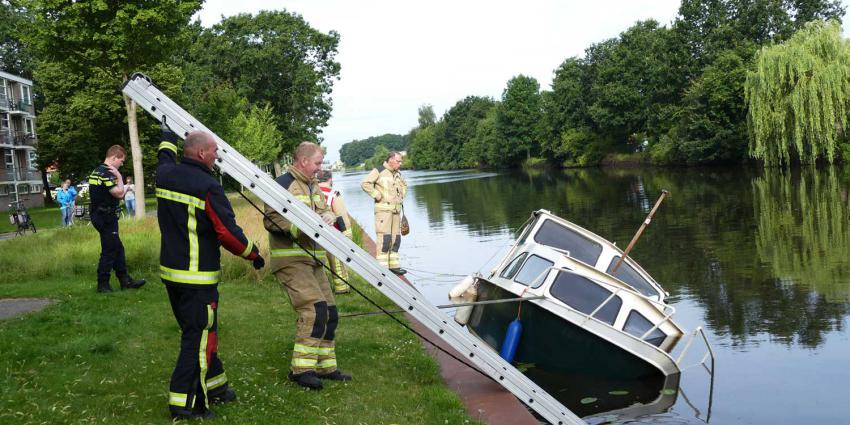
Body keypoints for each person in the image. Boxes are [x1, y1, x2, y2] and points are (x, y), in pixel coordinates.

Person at [156, 125, 264, 420]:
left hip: (171, 275)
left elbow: (164, 157)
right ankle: (186, 403)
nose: (218, 156)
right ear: (202, 153)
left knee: (203, 331)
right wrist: (253, 254)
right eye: (215, 151)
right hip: (197, 280)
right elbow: (227, 233)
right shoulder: (207, 186)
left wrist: (167, 137)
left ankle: (216, 386)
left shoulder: (164, 174)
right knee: (198, 339)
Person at [264, 142, 352, 390]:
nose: (319, 168)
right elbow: (270, 219)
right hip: (291, 260)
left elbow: (325, 211)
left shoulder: (313, 186)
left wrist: (329, 217)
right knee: (314, 311)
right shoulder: (282, 184)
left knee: (330, 313)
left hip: (313, 260)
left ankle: (325, 368)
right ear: (303, 161)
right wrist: (300, 228)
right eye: (316, 163)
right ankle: (301, 370)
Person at [87, 146, 146, 293]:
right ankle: (103, 284)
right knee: (110, 250)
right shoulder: (108, 173)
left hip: (99, 215)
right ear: (114, 158)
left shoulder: (97, 171)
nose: (121, 164)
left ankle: (125, 280)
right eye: (121, 160)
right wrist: (119, 177)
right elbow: (119, 193)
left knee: (118, 248)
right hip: (105, 217)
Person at [360, 151, 408, 275]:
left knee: (395, 239)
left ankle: (394, 266)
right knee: (384, 239)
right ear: (391, 160)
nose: (400, 163)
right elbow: (365, 183)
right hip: (383, 212)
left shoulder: (397, 173)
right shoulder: (379, 170)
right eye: (398, 161)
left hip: (396, 211)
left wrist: (402, 195)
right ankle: (383, 270)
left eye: (400, 161)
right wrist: (377, 195)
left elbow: (404, 186)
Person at [317, 170, 352, 294]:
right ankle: (342, 288)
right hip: (334, 233)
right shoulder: (333, 194)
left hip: (316, 234)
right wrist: (347, 236)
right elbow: (341, 216)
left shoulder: (312, 193)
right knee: (337, 263)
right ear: (330, 179)